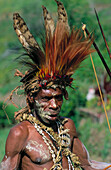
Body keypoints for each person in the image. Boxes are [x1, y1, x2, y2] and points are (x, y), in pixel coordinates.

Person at [1, 0, 111, 169]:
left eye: (58, 97)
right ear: (31, 98)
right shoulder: (21, 134)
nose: (54, 105)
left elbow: (88, 165)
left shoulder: (67, 127)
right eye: (46, 98)